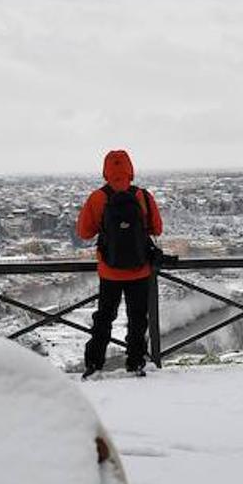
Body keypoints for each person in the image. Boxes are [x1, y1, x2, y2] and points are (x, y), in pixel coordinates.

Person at [77, 149, 162, 379]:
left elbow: (84, 232)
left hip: (109, 271)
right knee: (137, 319)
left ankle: (94, 364)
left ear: (105, 171)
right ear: (130, 170)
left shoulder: (97, 198)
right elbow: (157, 229)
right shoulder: (142, 196)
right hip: (140, 270)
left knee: (104, 318)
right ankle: (135, 362)